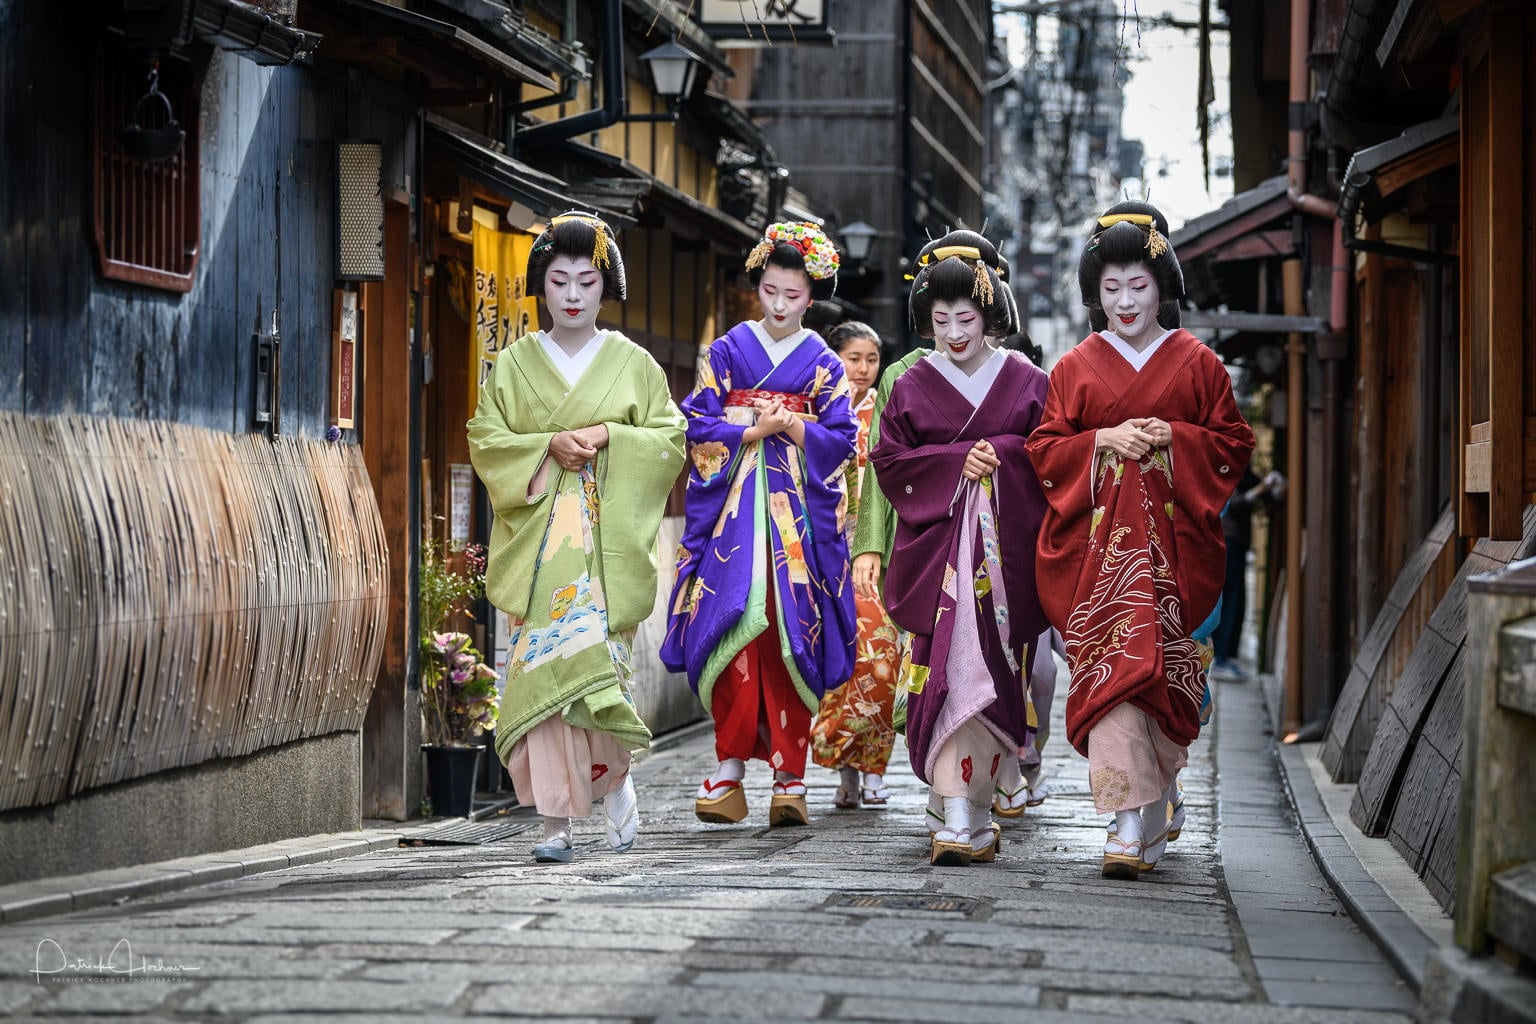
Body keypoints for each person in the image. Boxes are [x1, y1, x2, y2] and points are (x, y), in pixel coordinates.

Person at [1026, 201, 1255, 879]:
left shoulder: (1198, 363)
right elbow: (1044, 449)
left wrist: (1173, 438)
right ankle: (1128, 824)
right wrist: (1099, 440)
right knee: (1116, 684)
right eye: (1111, 289)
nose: (1126, 302)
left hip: (1176, 558)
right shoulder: (1075, 367)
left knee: (1166, 686)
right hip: (1100, 567)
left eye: (1139, 286)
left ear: (1163, 288)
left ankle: (1151, 814)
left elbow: (1233, 445)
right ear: (1095, 296)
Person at [467, 212, 686, 864]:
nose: (570, 294)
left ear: (603, 286)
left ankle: (614, 780)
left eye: (585, 281)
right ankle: (555, 824)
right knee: (542, 684)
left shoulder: (634, 364)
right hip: (540, 556)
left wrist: (611, 437)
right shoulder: (512, 365)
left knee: (598, 680)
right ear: (542, 285)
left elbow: (669, 438)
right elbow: (486, 439)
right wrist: (545, 446)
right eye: (558, 280)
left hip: (599, 551)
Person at [661, 221, 859, 828]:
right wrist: (753, 430)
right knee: (729, 627)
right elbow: (697, 422)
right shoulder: (726, 350)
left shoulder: (825, 362)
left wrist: (795, 428)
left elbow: (843, 438)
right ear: (758, 286)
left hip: (794, 519)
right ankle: (728, 768)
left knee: (786, 633)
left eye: (793, 296)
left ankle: (789, 775)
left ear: (812, 295)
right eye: (769, 291)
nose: (778, 305)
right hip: (734, 517)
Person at [872, 229, 1051, 866]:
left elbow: (1048, 454)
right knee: (944, 676)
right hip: (942, 560)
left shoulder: (1027, 379)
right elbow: (888, 461)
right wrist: (956, 463)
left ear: (989, 315)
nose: (953, 330)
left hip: (1002, 562)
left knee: (998, 677)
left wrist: (998, 457)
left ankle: (978, 810)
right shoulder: (912, 383)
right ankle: (954, 812)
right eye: (941, 317)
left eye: (966, 317)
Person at [810, 322, 901, 808]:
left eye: (871, 359)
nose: (863, 370)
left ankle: (874, 767)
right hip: (825, 548)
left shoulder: (887, 411)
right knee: (839, 660)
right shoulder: (817, 412)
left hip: (875, 548)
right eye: (853, 358)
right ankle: (845, 767)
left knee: (882, 656)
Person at [1209, 467, 1285, 681]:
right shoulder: (1225, 465)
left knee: (1237, 600)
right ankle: (1220, 658)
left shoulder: (1245, 470)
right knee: (1228, 598)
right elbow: (1235, 504)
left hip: (1238, 541)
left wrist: (1275, 490)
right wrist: (1264, 488)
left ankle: (1227, 656)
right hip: (1227, 539)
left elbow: (1265, 496)